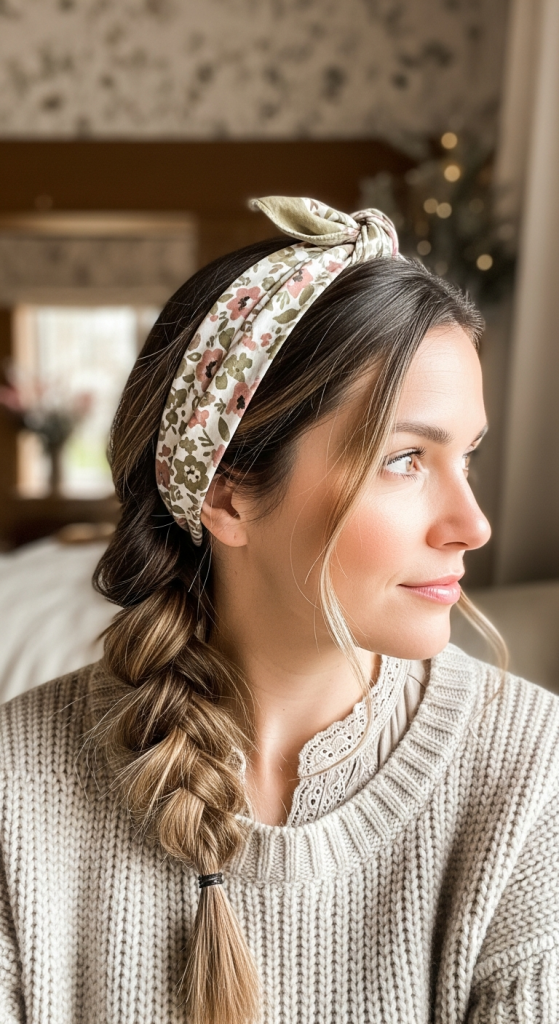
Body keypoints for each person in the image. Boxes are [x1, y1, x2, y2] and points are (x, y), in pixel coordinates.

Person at [0, 197, 558, 1024]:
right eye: (405, 459)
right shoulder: (16, 783)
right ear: (226, 497)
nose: (471, 525)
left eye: (465, 457)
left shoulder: (532, 771)